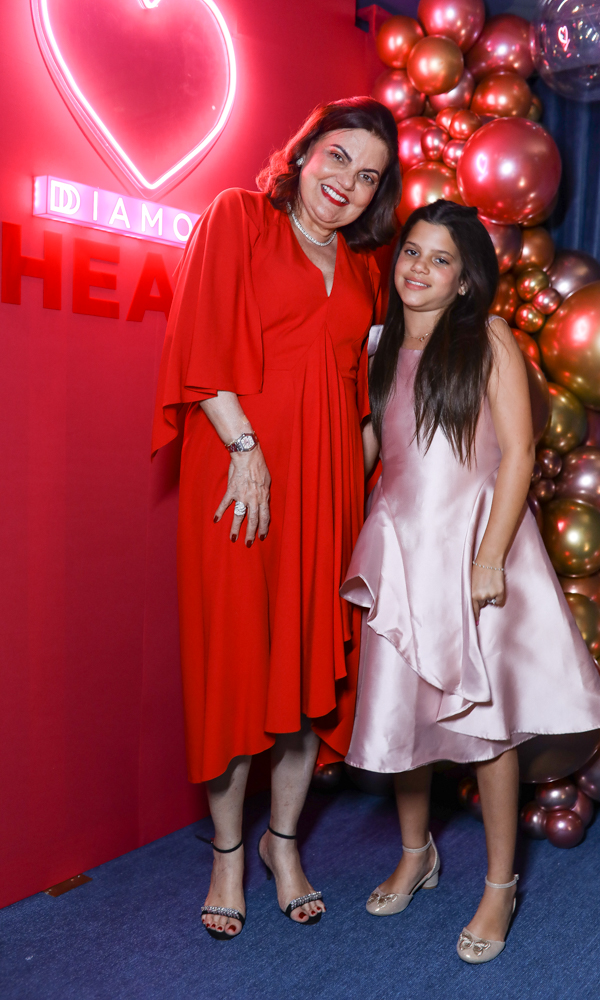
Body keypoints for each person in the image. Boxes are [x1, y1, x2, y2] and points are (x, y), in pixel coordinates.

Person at [340, 200, 600, 963]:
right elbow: (369, 449)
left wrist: (489, 558)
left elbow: (519, 454)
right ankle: (414, 854)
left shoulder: (487, 336)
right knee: (401, 717)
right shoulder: (379, 345)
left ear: (464, 281)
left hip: (474, 550)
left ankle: (499, 885)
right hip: (401, 551)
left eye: (440, 259)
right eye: (411, 252)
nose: (419, 269)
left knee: (484, 727)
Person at [151, 98, 400, 939]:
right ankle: (227, 854)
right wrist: (246, 448)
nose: (347, 183)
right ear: (302, 155)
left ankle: (281, 845)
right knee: (232, 669)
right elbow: (198, 340)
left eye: (368, 176)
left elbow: (364, 401)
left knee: (301, 678)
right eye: (337, 157)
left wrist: (364, 492)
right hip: (238, 476)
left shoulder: (365, 270)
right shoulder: (240, 218)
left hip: (325, 491)